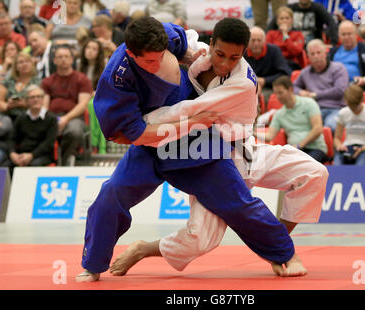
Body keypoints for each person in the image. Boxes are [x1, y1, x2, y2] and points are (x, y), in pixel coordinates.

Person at [76, 17, 298, 282]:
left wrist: (191, 54)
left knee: (237, 203)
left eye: (161, 57)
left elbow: (183, 38)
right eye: (149, 62)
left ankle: (284, 253)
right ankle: (93, 264)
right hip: (152, 144)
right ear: (131, 54)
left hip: (199, 143)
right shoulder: (116, 80)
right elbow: (132, 134)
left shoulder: (164, 34)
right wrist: (189, 123)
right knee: (111, 194)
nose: (157, 64)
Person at [108, 48, 328, 278]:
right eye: (220, 55)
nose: (225, 63)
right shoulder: (197, 62)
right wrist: (141, 126)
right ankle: (142, 249)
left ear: (242, 53)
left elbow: (188, 104)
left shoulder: (240, 79)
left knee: (314, 173)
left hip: (247, 150)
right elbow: (191, 46)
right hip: (213, 167)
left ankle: (277, 244)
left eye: (233, 56)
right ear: (212, 46)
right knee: (200, 241)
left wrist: (276, 246)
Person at [256, 75, 328, 163]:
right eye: (276, 93)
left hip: (315, 149)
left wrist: (299, 145)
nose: (278, 96)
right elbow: (269, 136)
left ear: (290, 89)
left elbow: (317, 129)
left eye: (280, 92)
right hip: (295, 152)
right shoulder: (279, 114)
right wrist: (252, 133)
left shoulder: (309, 103)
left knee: (305, 164)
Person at [41, 45, 93, 166]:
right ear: (54, 61)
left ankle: (64, 162)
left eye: (66, 56)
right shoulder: (47, 81)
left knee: (73, 131)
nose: (63, 59)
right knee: (39, 130)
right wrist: (50, 120)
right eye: (60, 57)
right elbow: (44, 105)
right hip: (52, 117)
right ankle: (47, 161)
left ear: (72, 59)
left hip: (74, 117)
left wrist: (65, 119)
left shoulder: (82, 79)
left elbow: (82, 105)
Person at [294, 39, 349, 132]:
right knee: (297, 126)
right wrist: (301, 92)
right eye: (312, 54)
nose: (316, 56)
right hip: (313, 110)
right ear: (308, 57)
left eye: (318, 52)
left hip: (336, 108)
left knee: (330, 126)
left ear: (325, 54)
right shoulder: (305, 73)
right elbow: (293, 87)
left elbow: (340, 90)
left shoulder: (338, 68)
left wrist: (316, 95)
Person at [8, 85, 57, 168]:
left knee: (33, 165)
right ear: (26, 100)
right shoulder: (21, 118)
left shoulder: (51, 119)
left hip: (42, 155)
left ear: (43, 99)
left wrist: (32, 155)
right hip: (22, 154)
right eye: (32, 97)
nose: (36, 99)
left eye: (39, 97)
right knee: (5, 165)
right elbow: (12, 138)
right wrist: (12, 153)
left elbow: (49, 143)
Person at [333, 84, 365, 165]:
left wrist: (361, 149)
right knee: (337, 163)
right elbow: (337, 138)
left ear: (362, 99)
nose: (353, 109)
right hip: (347, 147)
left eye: (355, 106)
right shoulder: (343, 113)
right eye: (350, 106)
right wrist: (340, 146)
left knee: (361, 164)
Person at [244, 26, 292, 106]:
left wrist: (264, 80)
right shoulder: (242, 52)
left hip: (271, 87)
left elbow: (285, 73)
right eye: (253, 40)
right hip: (247, 88)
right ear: (247, 41)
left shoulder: (274, 50)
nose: (256, 43)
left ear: (264, 41)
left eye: (259, 40)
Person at [329, 21, 365, 90]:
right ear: (339, 36)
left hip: (357, 89)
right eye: (343, 34)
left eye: (349, 34)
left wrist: (364, 80)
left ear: (356, 34)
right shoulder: (332, 52)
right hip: (335, 89)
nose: (346, 37)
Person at [267, 0, 338, 46]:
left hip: (313, 45)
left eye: (286, 18)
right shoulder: (289, 8)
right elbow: (271, 27)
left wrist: (333, 43)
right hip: (292, 44)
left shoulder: (318, 8)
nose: (284, 20)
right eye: (282, 19)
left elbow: (331, 23)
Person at [0, 51, 41, 122]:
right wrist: (8, 105)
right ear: (16, 66)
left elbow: (42, 104)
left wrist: (24, 104)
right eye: (21, 62)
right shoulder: (8, 82)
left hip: (30, 117)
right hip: (8, 117)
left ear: (32, 64)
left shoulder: (38, 82)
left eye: (27, 61)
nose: (24, 64)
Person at [0, 13, 26, 78]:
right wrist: (9, 51)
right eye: (0, 24)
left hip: (9, 76)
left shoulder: (19, 38)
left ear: (11, 24)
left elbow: (19, 54)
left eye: (6, 23)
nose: (4, 26)